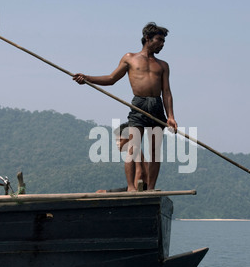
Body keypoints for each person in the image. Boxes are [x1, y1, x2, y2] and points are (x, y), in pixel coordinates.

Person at [73, 22, 178, 191]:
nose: (162, 44)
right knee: (133, 147)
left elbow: (166, 92)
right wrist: (87, 78)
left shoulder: (163, 65)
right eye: (159, 40)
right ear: (147, 38)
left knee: (154, 151)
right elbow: (111, 78)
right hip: (139, 104)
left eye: (164, 41)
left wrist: (171, 116)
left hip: (157, 106)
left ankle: (150, 188)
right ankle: (131, 187)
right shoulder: (130, 58)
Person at [96, 122, 148, 193]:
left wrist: (134, 192)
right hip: (136, 187)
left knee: (100, 192)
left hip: (139, 188)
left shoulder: (135, 150)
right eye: (116, 141)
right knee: (100, 192)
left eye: (120, 140)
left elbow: (140, 172)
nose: (117, 143)